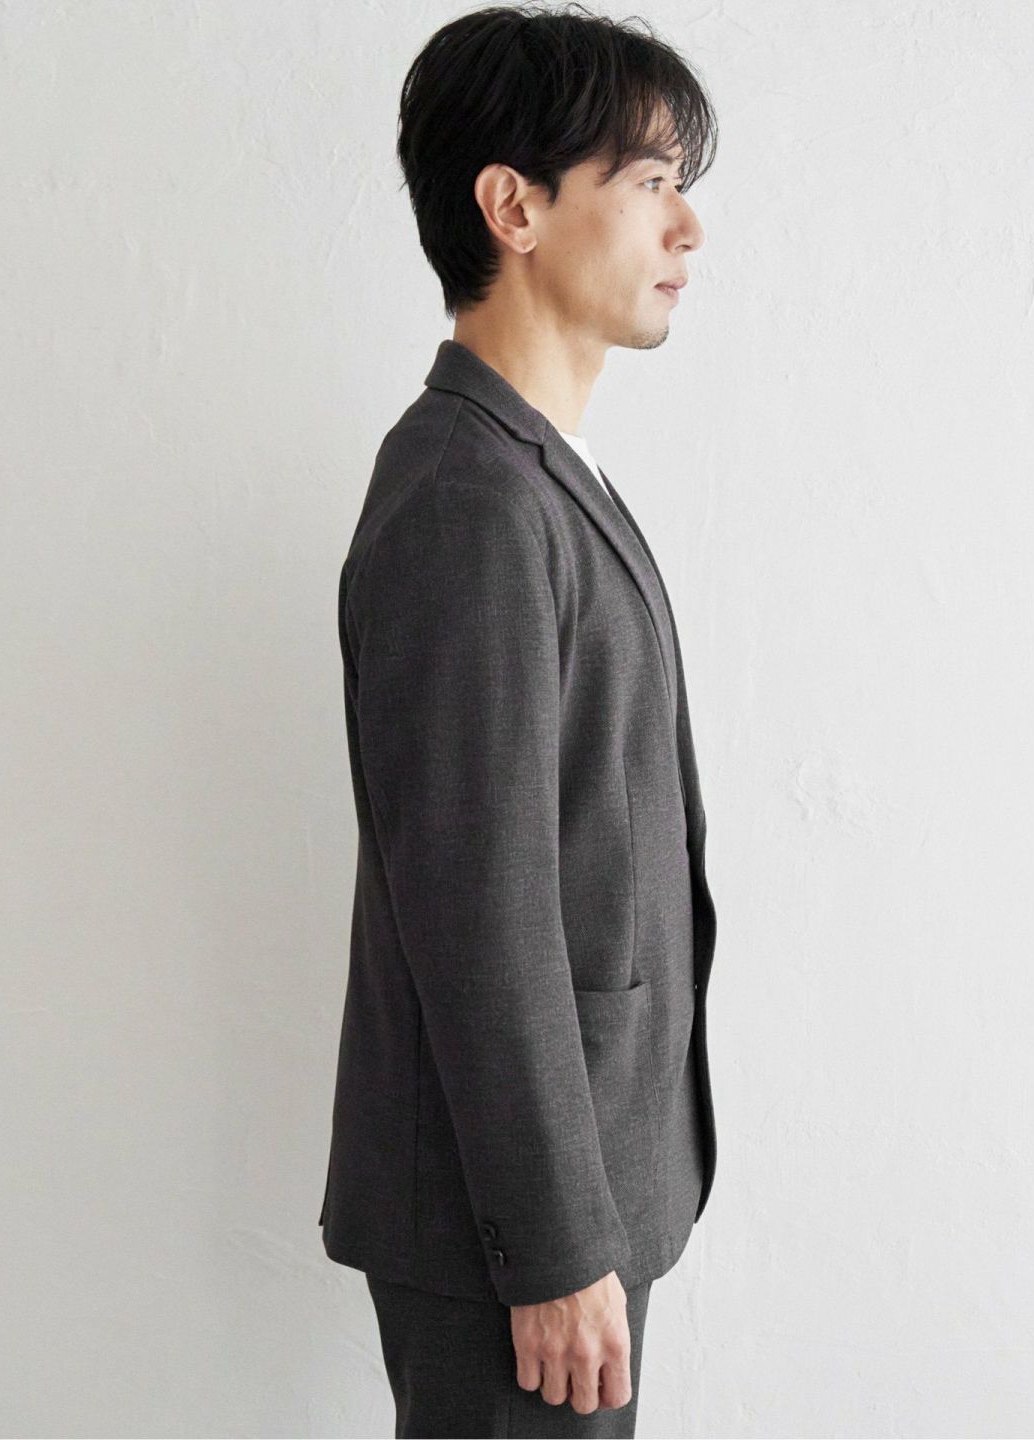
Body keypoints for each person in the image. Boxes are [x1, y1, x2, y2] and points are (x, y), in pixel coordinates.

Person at [318, 4, 720, 1434]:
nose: (687, 228)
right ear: (516, 207)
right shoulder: (470, 501)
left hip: (574, 1195)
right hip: (520, 1238)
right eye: (652, 180)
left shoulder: (537, 478)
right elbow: (477, 906)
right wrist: (551, 1247)